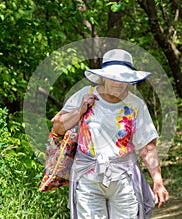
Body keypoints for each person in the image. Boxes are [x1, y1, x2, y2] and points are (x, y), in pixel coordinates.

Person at [51, 49, 169, 219]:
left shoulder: (136, 105)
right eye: (113, 77)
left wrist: (158, 181)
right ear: (103, 77)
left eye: (123, 78)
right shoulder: (85, 95)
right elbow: (58, 128)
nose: (118, 82)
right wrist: (80, 110)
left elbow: (147, 147)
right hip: (88, 178)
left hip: (123, 178)